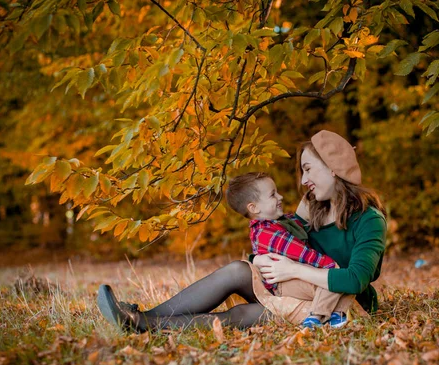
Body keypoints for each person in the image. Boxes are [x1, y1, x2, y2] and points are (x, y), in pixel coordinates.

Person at [96, 130, 386, 333]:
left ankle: (143, 325)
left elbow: (356, 279)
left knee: (242, 315)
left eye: (308, 169)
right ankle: (140, 316)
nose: (304, 180)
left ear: (333, 168)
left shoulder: (370, 220)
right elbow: (278, 238)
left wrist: (291, 271)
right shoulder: (312, 205)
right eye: (302, 171)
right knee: (238, 269)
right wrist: (259, 259)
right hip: (294, 286)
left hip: (339, 303)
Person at [225, 171, 355, 328]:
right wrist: (331, 266)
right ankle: (317, 317)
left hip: (296, 276)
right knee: (332, 280)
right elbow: (302, 254)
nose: (280, 197)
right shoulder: (267, 233)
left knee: (343, 281)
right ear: (254, 208)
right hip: (284, 284)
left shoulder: (280, 221)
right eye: (273, 195)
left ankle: (335, 313)